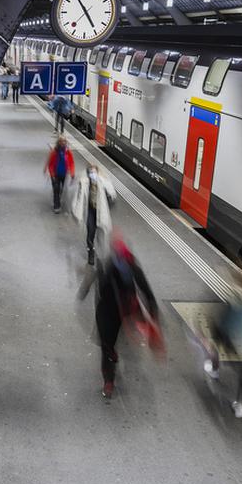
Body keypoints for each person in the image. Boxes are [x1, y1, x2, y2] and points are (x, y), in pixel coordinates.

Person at [78, 235, 161, 399]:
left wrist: (153, 315)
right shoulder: (119, 266)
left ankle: (110, 369)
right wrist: (153, 316)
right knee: (107, 345)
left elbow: (146, 291)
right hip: (112, 312)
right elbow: (147, 293)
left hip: (115, 312)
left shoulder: (123, 266)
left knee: (109, 343)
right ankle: (109, 378)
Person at [206, 264, 242, 418]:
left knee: (215, 345)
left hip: (227, 333)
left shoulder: (235, 293)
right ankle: (240, 405)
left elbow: (224, 312)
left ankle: (215, 371)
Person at [70, 164, 116, 265]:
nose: (93, 174)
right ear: (88, 173)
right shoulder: (84, 183)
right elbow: (77, 198)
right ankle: (91, 251)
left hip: (101, 212)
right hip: (90, 211)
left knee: (102, 232)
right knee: (90, 232)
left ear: (98, 172)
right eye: (91, 172)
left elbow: (112, 194)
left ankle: (102, 253)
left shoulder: (103, 182)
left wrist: (110, 199)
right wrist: (75, 210)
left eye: (94, 172)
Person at [43, 136, 75, 213]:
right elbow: (50, 164)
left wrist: (72, 173)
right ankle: (56, 206)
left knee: (62, 189)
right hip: (55, 174)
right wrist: (52, 175)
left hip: (64, 174)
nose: (63, 143)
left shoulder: (68, 152)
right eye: (61, 141)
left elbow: (71, 163)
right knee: (56, 189)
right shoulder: (54, 152)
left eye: (64, 141)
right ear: (58, 142)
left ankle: (59, 199)